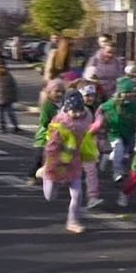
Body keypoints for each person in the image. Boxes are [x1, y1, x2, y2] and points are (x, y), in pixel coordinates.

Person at [43, 90, 92, 233]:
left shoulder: (87, 118)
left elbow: (90, 136)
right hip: (57, 162)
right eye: (73, 111)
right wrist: (53, 161)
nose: (77, 114)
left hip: (74, 162)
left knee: (77, 194)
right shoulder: (60, 123)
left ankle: (73, 221)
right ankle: (45, 174)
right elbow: (51, 145)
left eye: (80, 110)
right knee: (50, 196)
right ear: (66, 109)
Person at [99, 77, 136, 183]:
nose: (128, 95)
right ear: (120, 92)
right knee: (119, 149)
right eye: (125, 92)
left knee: (128, 153)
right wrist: (100, 122)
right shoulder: (111, 104)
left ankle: (108, 157)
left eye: (130, 92)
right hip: (115, 133)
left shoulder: (135, 105)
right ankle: (117, 173)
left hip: (129, 133)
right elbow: (101, 109)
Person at [30, 79, 66, 184]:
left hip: (58, 136)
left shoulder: (64, 105)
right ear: (49, 92)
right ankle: (33, 176)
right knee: (39, 157)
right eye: (57, 91)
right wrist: (55, 124)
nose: (59, 94)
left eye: (62, 92)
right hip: (44, 136)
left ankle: (54, 176)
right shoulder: (47, 106)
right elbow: (45, 122)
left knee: (57, 157)